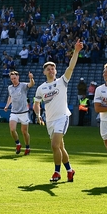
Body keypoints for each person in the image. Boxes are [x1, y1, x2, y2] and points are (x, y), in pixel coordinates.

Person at [33, 40, 83, 183]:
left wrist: (76, 51)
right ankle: (70, 170)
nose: (50, 70)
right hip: (50, 120)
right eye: (48, 68)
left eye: (52, 68)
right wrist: (37, 115)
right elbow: (36, 104)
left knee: (54, 145)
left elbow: (71, 67)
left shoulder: (62, 81)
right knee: (60, 147)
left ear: (55, 71)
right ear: (44, 72)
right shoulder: (41, 88)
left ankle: (57, 172)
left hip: (62, 117)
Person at [4, 71, 34, 155]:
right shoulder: (10, 87)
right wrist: (7, 105)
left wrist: (31, 78)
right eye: (12, 79)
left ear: (18, 77)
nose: (13, 80)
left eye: (14, 78)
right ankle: (18, 144)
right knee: (12, 129)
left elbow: (31, 84)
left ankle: (27, 147)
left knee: (24, 132)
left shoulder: (23, 86)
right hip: (14, 112)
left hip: (23, 112)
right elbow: (10, 97)